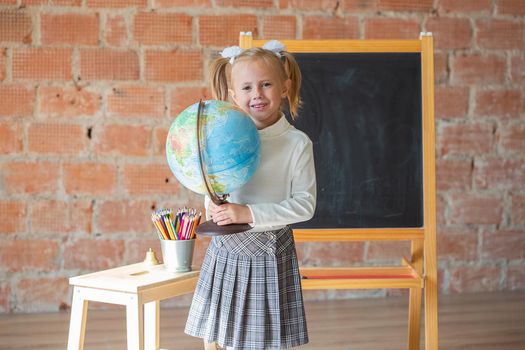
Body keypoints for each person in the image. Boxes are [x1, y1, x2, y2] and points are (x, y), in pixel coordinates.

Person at [184, 40, 317, 350]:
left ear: (285, 87)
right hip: (226, 249)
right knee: (217, 337)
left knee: (262, 342)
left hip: (267, 254)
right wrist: (213, 203)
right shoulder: (224, 139)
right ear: (233, 96)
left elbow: (305, 205)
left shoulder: (296, 144)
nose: (256, 94)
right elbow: (213, 187)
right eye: (246, 88)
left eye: (266, 84)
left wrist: (248, 214)